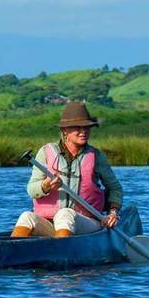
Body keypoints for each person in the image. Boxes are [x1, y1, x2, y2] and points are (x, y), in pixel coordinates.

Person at [10, 100, 123, 238]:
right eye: (77, 127)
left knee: (65, 214)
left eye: (87, 127)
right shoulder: (45, 152)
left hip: (87, 223)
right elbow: (31, 190)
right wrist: (45, 186)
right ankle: (10, 253)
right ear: (65, 130)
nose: (83, 132)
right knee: (26, 216)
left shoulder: (96, 156)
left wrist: (113, 213)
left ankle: (60, 254)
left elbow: (115, 188)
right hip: (51, 223)